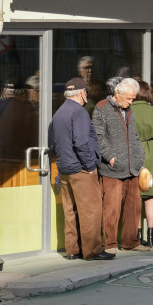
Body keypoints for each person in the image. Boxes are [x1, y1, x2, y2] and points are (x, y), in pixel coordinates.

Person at [48, 78, 114, 261]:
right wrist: (90, 165)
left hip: (65, 168)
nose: (87, 94)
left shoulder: (59, 112)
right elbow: (82, 142)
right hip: (81, 169)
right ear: (82, 93)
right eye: (86, 91)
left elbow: (52, 142)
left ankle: (72, 250)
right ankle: (92, 251)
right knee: (91, 211)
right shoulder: (79, 112)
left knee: (70, 211)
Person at [92, 77, 150, 253]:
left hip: (133, 167)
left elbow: (134, 136)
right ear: (118, 93)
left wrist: (139, 156)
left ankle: (131, 241)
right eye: (129, 98)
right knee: (111, 208)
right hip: (112, 169)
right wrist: (110, 157)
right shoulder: (101, 108)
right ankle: (109, 244)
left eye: (133, 98)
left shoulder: (129, 110)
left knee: (134, 207)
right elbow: (97, 136)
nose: (131, 102)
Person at [132, 81, 153, 246]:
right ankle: (151, 236)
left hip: (134, 152)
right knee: (150, 195)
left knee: (136, 195)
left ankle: (138, 236)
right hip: (152, 152)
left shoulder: (128, 111)